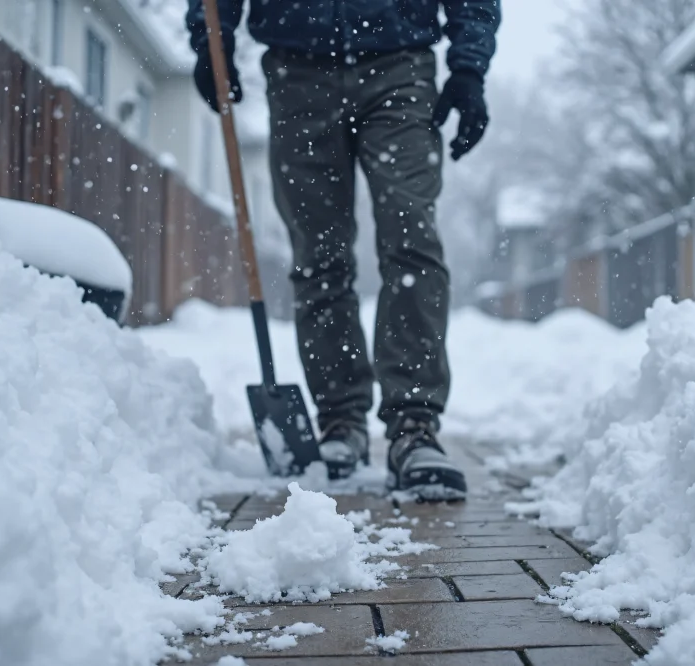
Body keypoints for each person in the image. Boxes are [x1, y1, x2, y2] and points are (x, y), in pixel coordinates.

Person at [185, 0, 501, 499]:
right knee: (319, 255)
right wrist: (211, 36)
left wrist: (469, 66)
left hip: (399, 62)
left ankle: (414, 425)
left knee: (412, 239)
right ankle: (340, 420)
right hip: (297, 67)